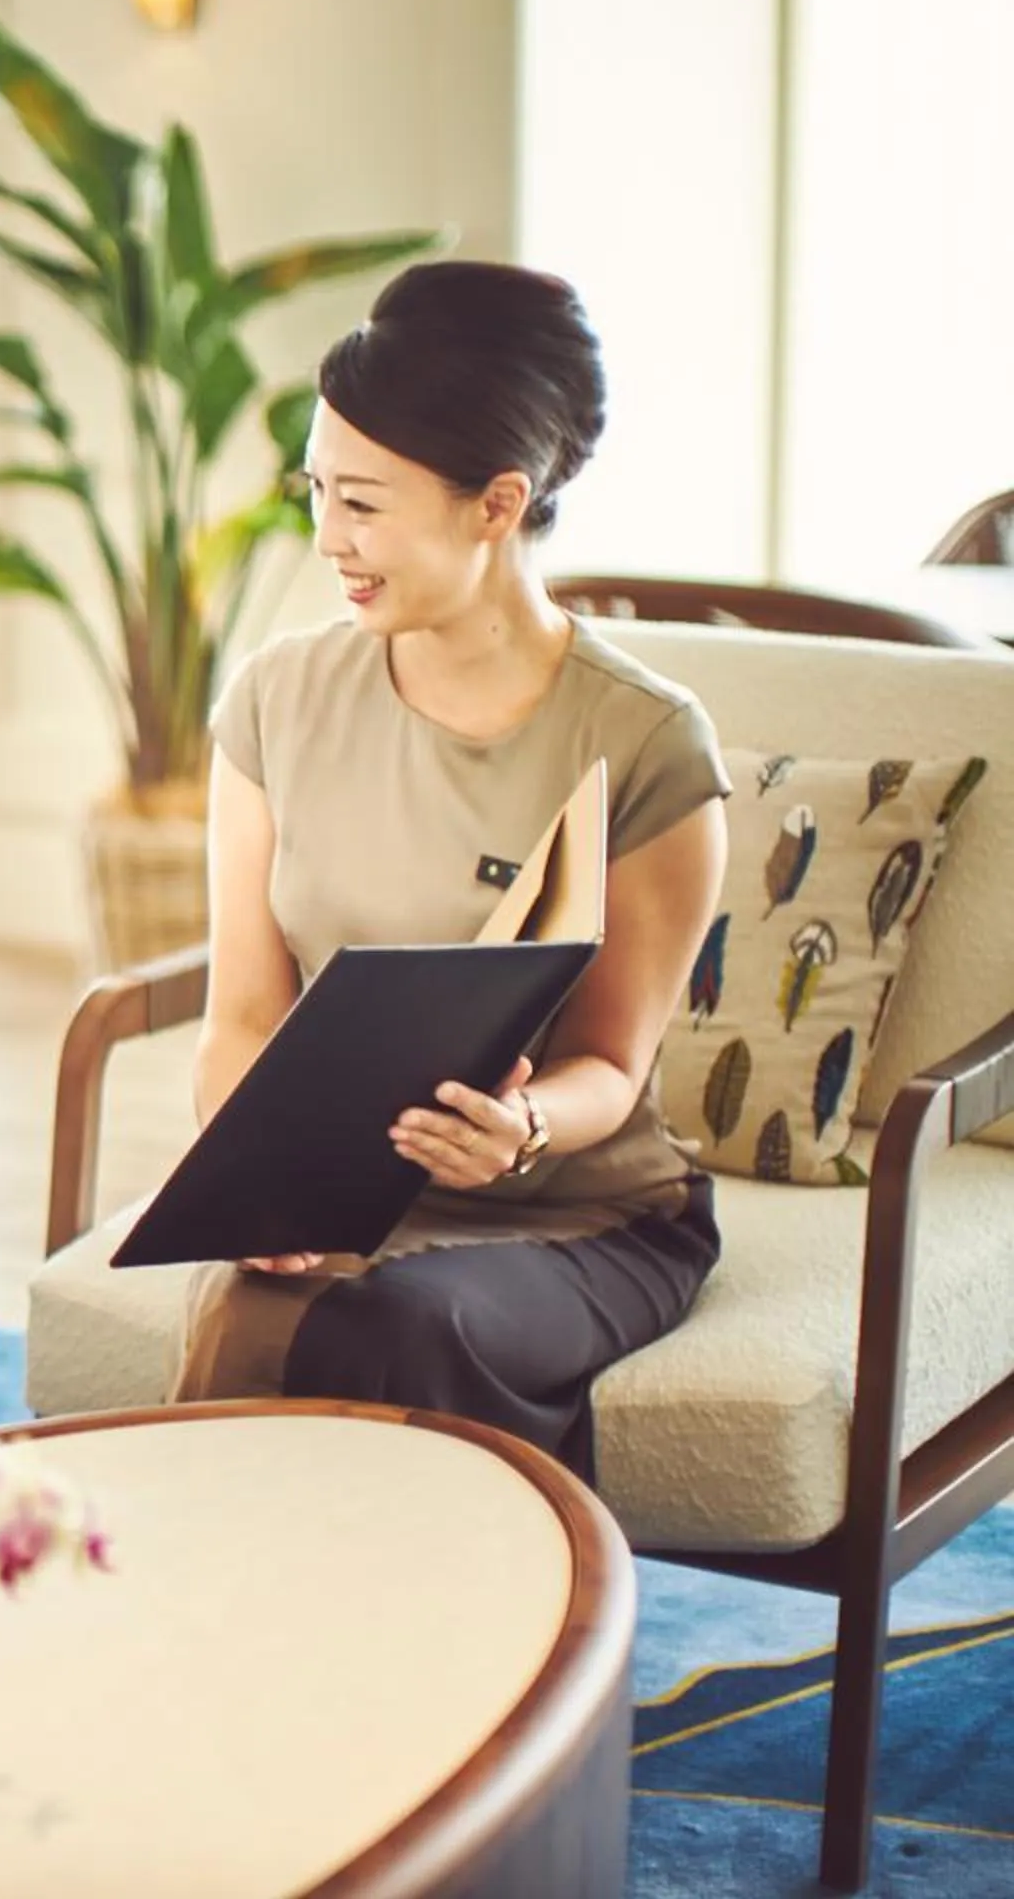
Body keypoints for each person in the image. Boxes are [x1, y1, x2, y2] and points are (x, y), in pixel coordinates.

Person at [171, 262, 731, 1480]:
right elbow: (243, 1017)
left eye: (364, 505)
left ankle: (496, 1657)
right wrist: (264, 1193)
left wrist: (520, 1127)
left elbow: (614, 1069)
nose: (328, 540)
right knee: (249, 1326)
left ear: (497, 502)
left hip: (585, 1218)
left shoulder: (644, 740)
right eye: (316, 492)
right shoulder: (277, 700)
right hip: (345, 1203)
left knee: (403, 1330)